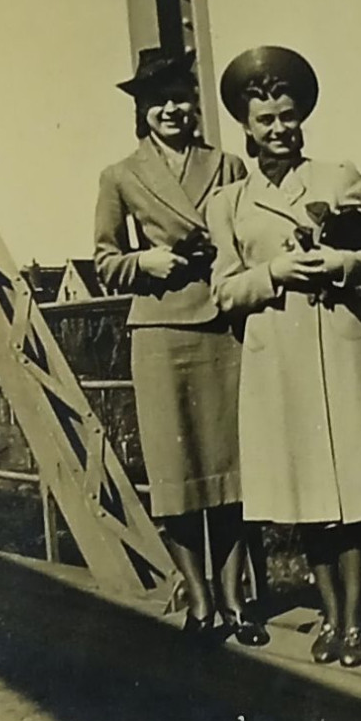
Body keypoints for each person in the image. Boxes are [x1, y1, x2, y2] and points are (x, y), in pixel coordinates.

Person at [205, 46, 361, 668]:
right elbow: (224, 291)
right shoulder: (228, 204)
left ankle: (356, 624)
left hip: (337, 349)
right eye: (265, 120)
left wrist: (341, 263)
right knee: (307, 495)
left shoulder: (337, 176)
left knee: (352, 488)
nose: (279, 130)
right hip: (278, 361)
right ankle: (330, 618)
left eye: (288, 117)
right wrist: (275, 272)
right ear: (246, 125)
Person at [94, 47, 268, 646]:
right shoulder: (119, 176)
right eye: (157, 101)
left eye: (180, 98)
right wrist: (145, 261)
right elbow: (104, 261)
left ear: (194, 106)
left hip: (223, 328)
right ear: (142, 112)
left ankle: (236, 599)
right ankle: (199, 602)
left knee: (232, 473)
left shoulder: (228, 167)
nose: (171, 109)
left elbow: (251, 242)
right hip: (161, 332)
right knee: (176, 474)